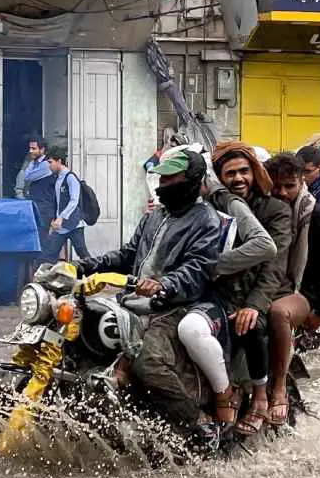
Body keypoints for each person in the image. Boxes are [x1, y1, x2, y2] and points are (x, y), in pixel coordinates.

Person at [72, 148, 223, 441]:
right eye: (161, 179)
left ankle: (198, 423)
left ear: (192, 179)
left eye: (171, 179)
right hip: (130, 302)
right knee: (80, 334)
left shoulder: (206, 219)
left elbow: (198, 268)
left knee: (146, 361)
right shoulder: (156, 216)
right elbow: (128, 255)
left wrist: (164, 283)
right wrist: (81, 266)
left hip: (173, 305)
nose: (164, 185)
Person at [178, 144, 283, 430]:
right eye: (231, 173)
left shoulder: (274, 210)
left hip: (258, 291)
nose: (238, 178)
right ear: (219, 178)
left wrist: (253, 304)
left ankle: (260, 397)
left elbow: (274, 266)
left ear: (254, 172)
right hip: (215, 292)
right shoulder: (209, 208)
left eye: (244, 171)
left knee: (250, 325)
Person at [261, 151, 320, 428]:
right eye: (277, 186)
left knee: (276, 313)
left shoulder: (312, 213)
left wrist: (319, 309)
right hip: (270, 286)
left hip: (300, 291)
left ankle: (279, 388)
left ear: (301, 182)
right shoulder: (258, 209)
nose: (283, 192)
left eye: (290, 186)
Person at [41, 145, 91, 261]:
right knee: (49, 253)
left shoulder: (70, 178)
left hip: (74, 224)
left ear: (59, 161)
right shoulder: (57, 178)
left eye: (50, 162)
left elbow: (74, 201)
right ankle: (47, 277)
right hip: (61, 226)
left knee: (82, 253)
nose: (49, 166)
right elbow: (57, 202)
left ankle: (95, 274)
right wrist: (55, 218)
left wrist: (62, 217)